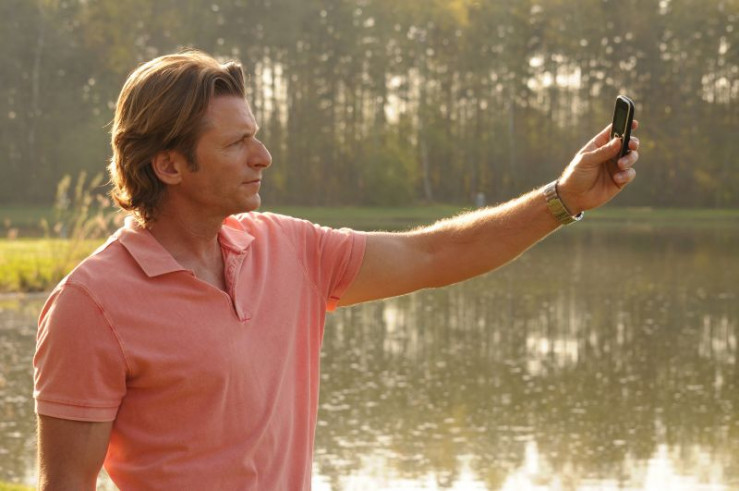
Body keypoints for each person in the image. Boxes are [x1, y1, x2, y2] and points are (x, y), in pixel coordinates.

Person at [33, 49, 640, 490]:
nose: (263, 157)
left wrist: (563, 199)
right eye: (236, 144)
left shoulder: (289, 250)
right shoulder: (91, 304)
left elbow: (434, 255)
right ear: (169, 166)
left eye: (256, 137)